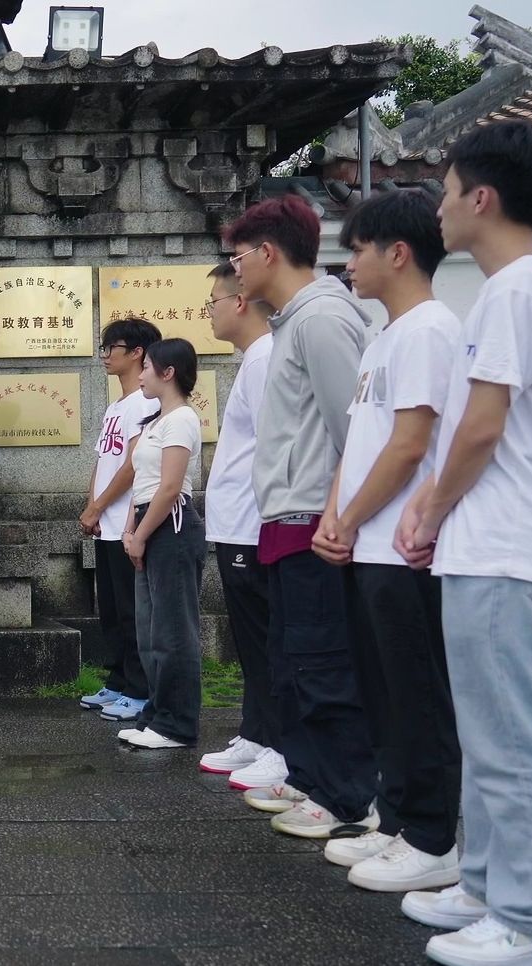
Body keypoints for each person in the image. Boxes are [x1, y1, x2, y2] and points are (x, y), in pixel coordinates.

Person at [394, 121, 532, 966]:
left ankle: (528, 920)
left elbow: (483, 427)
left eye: (448, 189)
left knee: (513, 746)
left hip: (501, 552)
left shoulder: (514, 290)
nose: (440, 206)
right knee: (493, 736)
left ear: (481, 199)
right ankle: (487, 886)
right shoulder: (522, 287)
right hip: (502, 548)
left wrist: (428, 510)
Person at [312, 189, 462, 894]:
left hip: (402, 550)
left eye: (358, 248)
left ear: (397, 253)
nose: (347, 264)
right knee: (383, 691)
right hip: (365, 542)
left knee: (417, 694)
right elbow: (360, 441)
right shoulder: (383, 336)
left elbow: (409, 446)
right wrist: (334, 512)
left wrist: (350, 516)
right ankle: (397, 816)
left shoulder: (432, 328)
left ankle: (433, 835)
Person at [224, 194, 379, 840]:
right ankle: (313, 778)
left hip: (318, 516)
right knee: (294, 660)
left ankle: (346, 795)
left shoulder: (320, 321)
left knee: (322, 662)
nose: (233, 272)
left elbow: (357, 430)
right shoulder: (294, 323)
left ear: (268, 253)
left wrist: (342, 516)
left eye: (238, 257)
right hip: (286, 519)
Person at [196, 263, 281, 789]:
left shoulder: (268, 356)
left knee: (266, 636)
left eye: (214, 300)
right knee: (249, 639)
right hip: (235, 526)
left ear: (241, 302)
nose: (209, 309)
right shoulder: (254, 359)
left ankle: (278, 741)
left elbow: (274, 447)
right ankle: (256, 730)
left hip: (254, 525)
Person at [118, 338, 205, 749]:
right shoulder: (153, 422)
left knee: (173, 632)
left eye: (147, 367)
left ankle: (177, 723)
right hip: (148, 523)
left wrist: (140, 535)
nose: (141, 375)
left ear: (168, 373)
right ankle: (156, 714)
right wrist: (130, 530)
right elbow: (142, 483)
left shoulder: (183, 418)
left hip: (169, 526)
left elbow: (170, 487)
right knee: (149, 631)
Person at [77, 318, 160, 722]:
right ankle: (117, 681)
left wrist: (100, 507)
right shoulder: (116, 406)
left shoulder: (145, 402)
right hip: (105, 524)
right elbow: (103, 461)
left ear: (138, 352)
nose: (105, 355)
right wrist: (92, 505)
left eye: (113, 347)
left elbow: (131, 466)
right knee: (110, 610)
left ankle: (140, 689)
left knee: (132, 611)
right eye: (104, 347)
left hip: (127, 524)